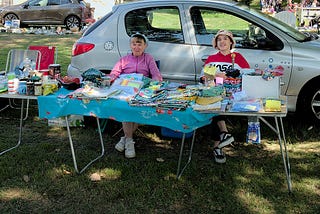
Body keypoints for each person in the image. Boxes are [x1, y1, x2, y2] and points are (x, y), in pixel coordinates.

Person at [109, 33, 163, 158]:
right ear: (130, 45)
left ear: (145, 46)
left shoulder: (148, 58)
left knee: (137, 108)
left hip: (142, 90)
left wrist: (154, 84)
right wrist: (111, 79)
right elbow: (114, 73)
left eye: (140, 44)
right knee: (126, 107)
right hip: (125, 90)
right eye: (134, 44)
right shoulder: (124, 59)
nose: (137, 47)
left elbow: (156, 75)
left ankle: (126, 139)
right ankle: (129, 141)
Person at [200, 29, 250, 164]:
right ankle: (223, 134)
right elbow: (204, 78)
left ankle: (219, 143)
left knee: (216, 107)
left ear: (231, 42)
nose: (222, 42)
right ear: (216, 43)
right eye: (219, 39)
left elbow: (248, 75)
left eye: (225, 39)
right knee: (214, 105)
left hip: (234, 94)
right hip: (216, 92)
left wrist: (232, 75)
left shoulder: (237, 57)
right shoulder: (211, 59)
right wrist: (213, 76)